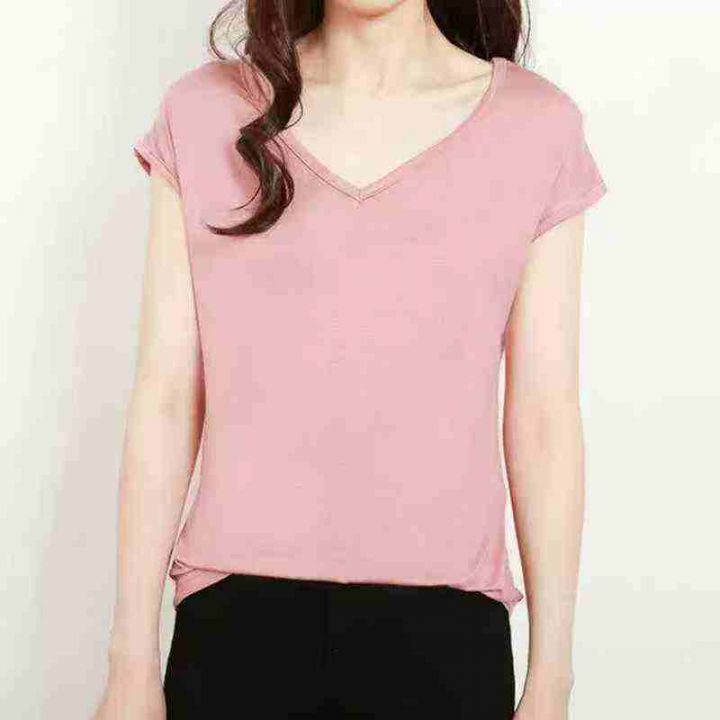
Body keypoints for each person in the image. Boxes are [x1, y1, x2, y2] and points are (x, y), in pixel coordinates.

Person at [94, 1, 607, 718]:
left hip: (447, 639)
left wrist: (552, 678)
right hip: (233, 629)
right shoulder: (204, 111)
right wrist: (131, 662)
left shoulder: (536, 127)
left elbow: (545, 417)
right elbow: (167, 396)